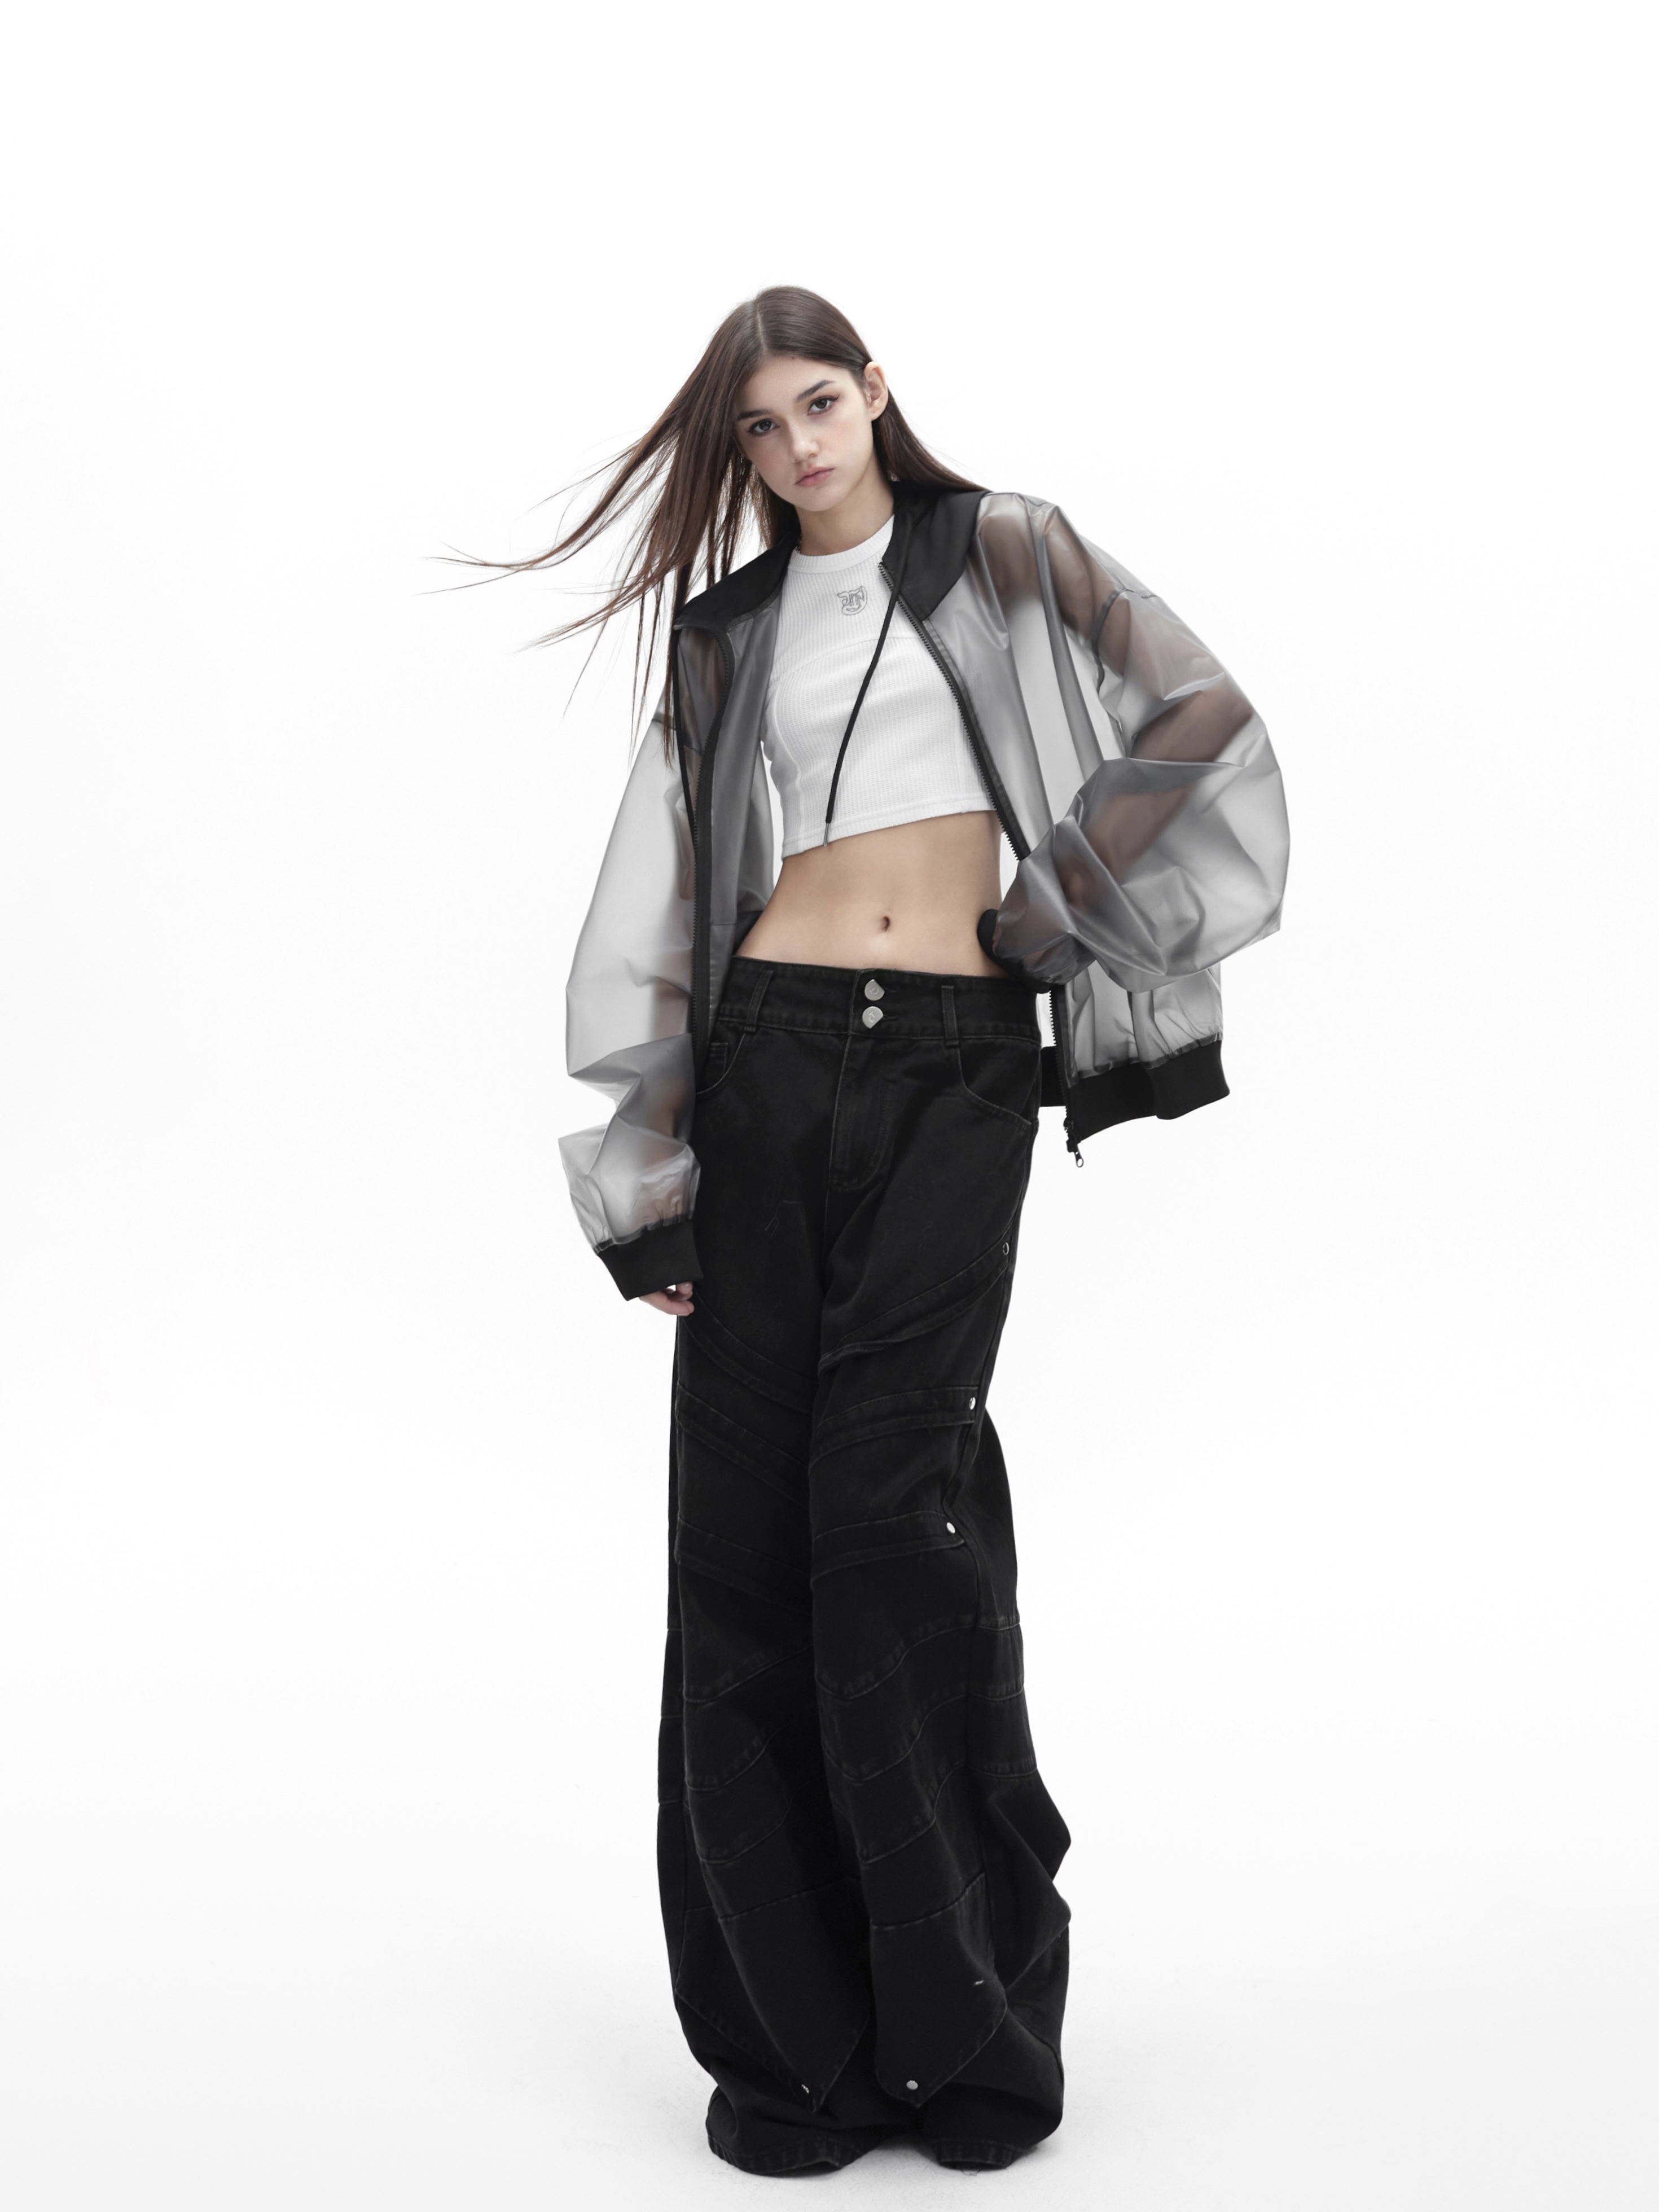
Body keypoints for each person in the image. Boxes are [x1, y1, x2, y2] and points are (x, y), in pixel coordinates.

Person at [523, 287, 1288, 2173]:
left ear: (874, 390)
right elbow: (667, 890)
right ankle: (794, 2060)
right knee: (742, 1544)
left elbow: (1201, 714)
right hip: (770, 1059)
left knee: (891, 1520)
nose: (795, 448)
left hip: (954, 1068)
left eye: (816, 403)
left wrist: (1052, 906)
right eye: (759, 429)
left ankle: (958, 2035)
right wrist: (651, 1168)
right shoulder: (727, 633)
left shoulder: (1001, 549)